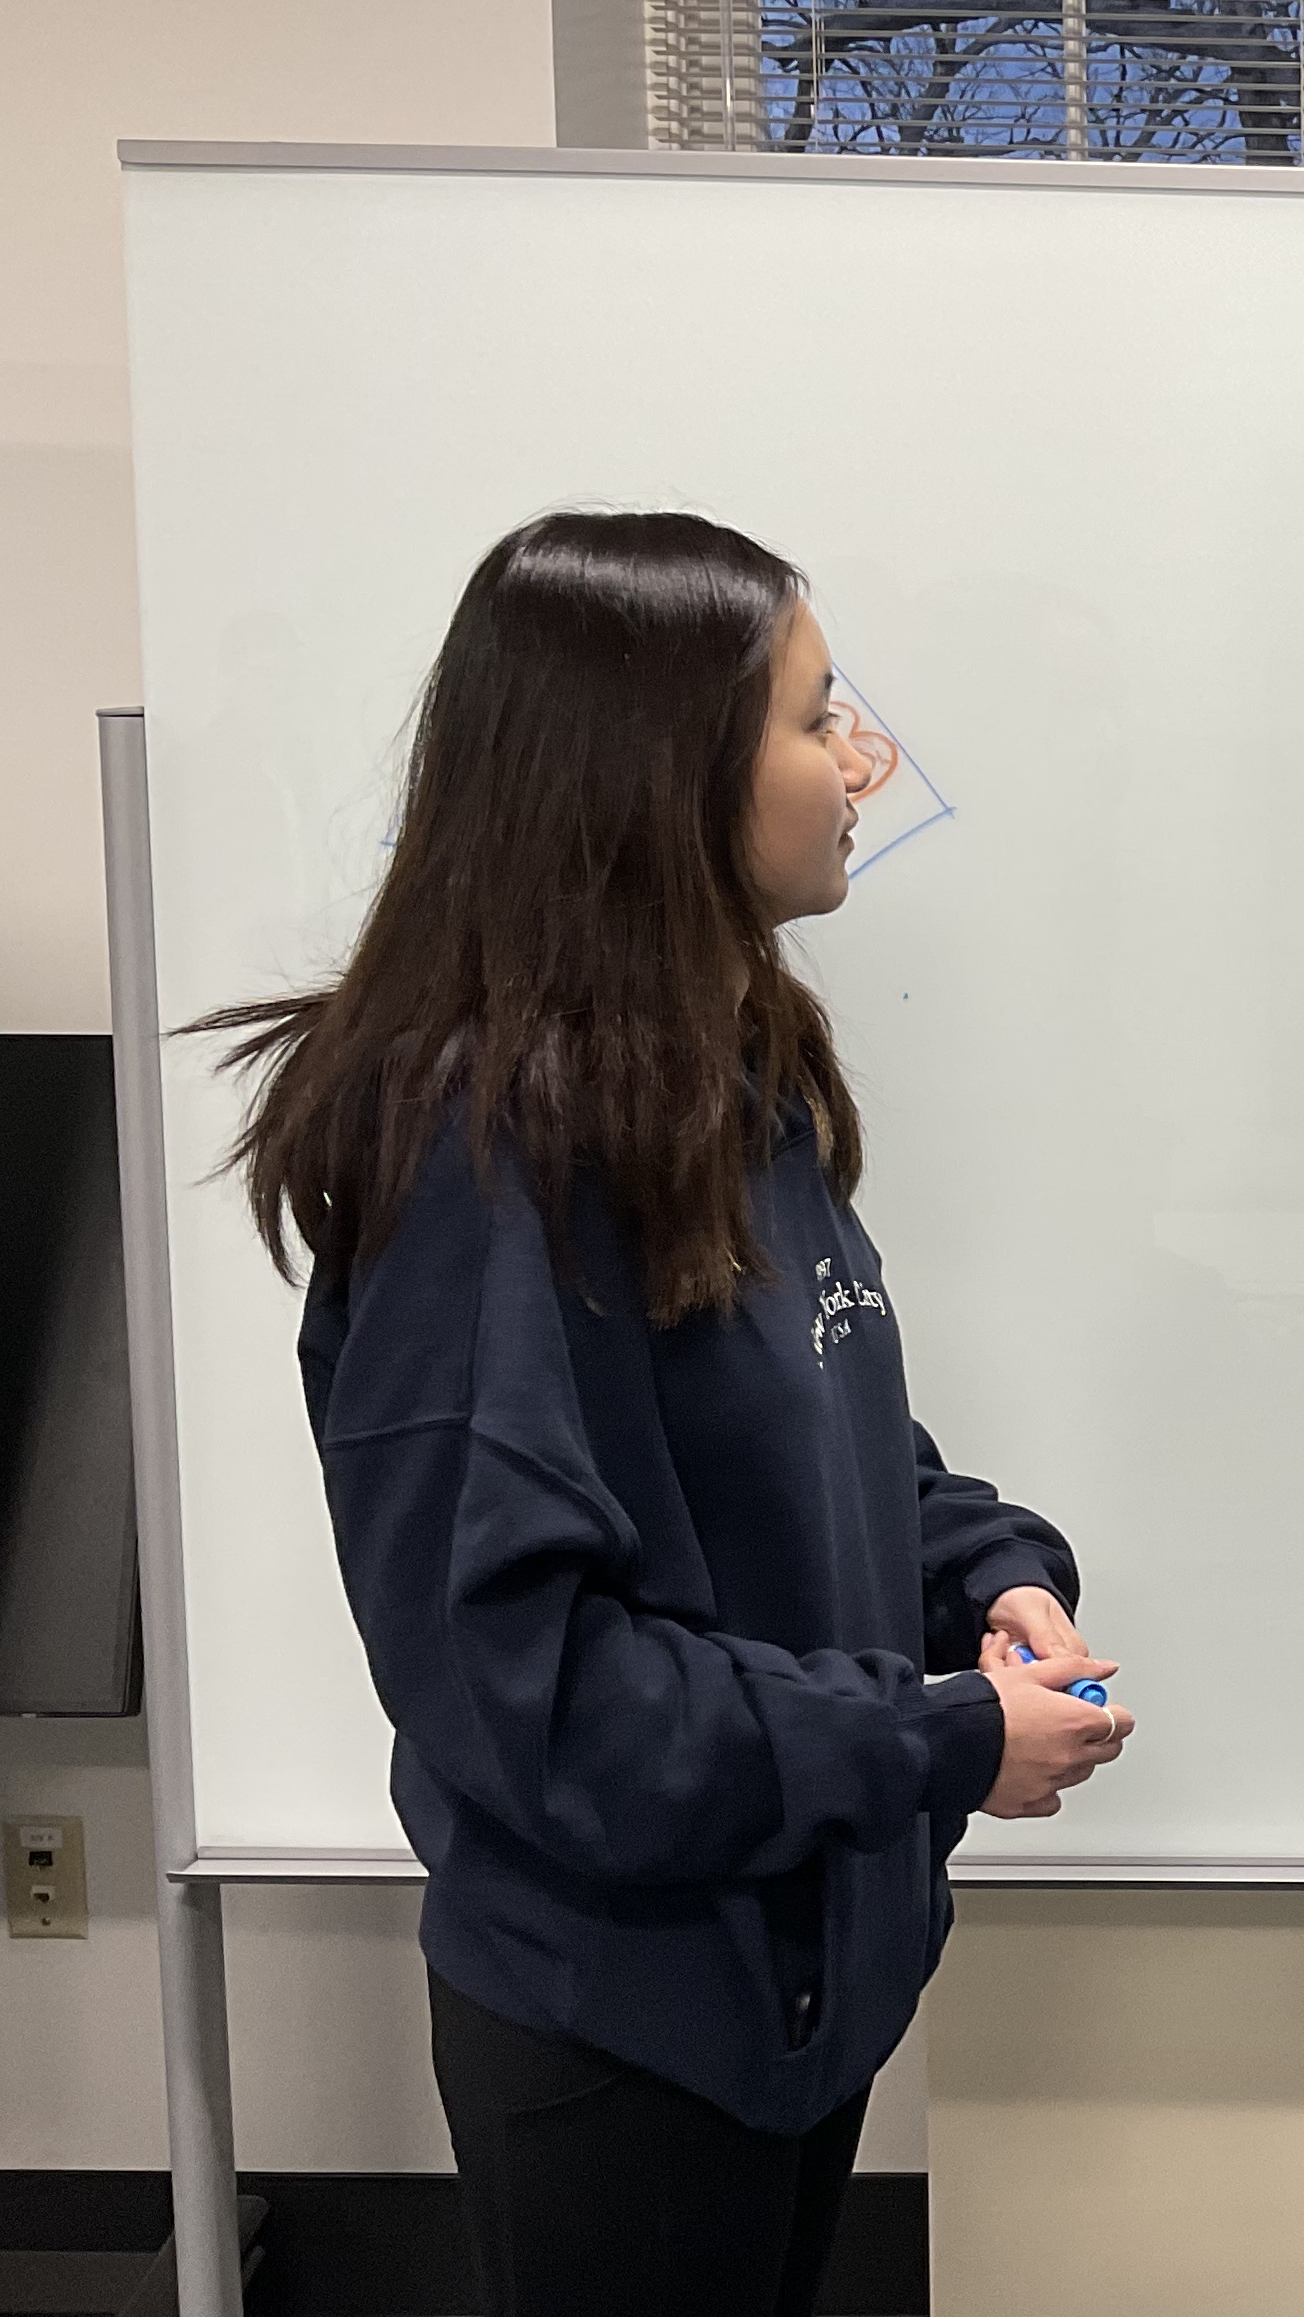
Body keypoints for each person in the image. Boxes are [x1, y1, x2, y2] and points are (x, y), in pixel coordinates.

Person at [194, 511, 1131, 2317]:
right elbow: (531, 1689)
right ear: (660, 778)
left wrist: (985, 1574)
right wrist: (938, 1740)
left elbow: (825, 1445)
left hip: (794, 1977)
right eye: (814, 717)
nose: (863, 761)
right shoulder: (481, 1164)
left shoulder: (730, 1077)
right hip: (631, 2028)